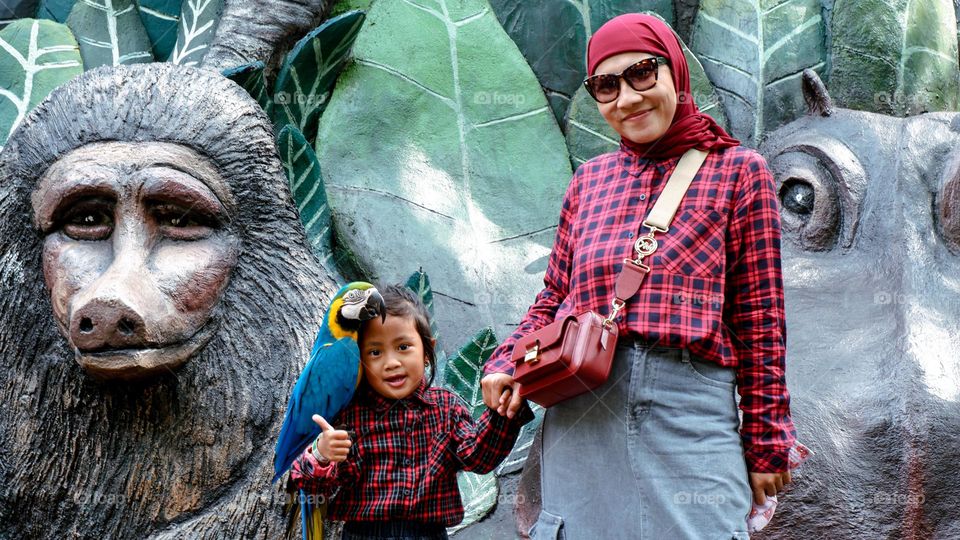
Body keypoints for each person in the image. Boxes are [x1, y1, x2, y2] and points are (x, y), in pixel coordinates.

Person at [480, 13, 800, 539]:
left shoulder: (739, 172)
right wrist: (504, 362)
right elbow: (556, 296)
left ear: (675, 71)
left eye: (643, 73)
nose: (627, 98)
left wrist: (766, 440)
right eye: (606, 86)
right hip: (582, 412)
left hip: (686, 413)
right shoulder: (589, 181)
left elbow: (761, 319)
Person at [290, 284, 534, 539]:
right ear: (359, 359)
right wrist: (322, 456)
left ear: (428, 351)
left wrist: (503, 412)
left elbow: (478, 458)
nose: (392, 362)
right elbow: (312, 486)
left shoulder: (446, 409)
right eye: (375, 352)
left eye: (403, 347)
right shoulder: (351, 417)